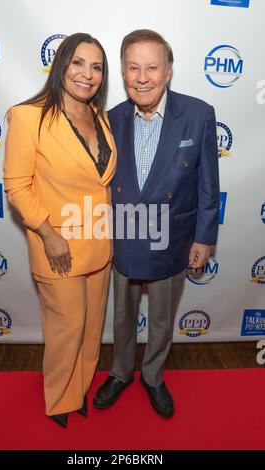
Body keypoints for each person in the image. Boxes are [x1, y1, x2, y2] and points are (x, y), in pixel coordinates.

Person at [93, 29, 219, 418]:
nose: (142, 77)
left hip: (174, 237)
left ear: (167, 71)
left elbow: (208, 183)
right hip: (125, 235)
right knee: (122, 315)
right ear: (124, 72)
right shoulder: (109, 118)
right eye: (133, 68)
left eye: (151, 67)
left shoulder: (198, 114)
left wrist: (204, 237)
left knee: (163, 318)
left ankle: (153, 375)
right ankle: (119, 372)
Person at [3, 33, 116, 428]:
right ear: (61, 65)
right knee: (66, 329)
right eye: (78, 63)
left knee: (90, 328)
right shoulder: (28, 115)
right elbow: (17, 186)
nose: (88, 74)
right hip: (59, 246)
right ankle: (59, 400)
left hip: (100, 246)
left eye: (97, 66)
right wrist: (49, 235)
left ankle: (80, 388)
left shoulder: (99, 117)